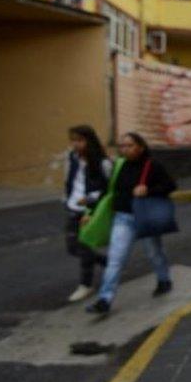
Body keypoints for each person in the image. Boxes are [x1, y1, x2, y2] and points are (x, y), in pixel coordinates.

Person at [87, 132, 177, 314]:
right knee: (115, 259)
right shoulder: (119, 166)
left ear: (141, 147)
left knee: (154, 253)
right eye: (122, 146)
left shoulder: (152, 165)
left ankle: (164, 279)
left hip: (145, 217)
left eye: (129, 145)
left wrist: (149, 190)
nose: (124, 149)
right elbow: (108, 191)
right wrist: (91, 210)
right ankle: (105, 300)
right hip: (123, 218)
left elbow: (170, 186)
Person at [64, 125, 112, 302]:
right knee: (72, 247)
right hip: (72, 206)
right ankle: (106, 262)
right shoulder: (72, 157)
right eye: (73, 140)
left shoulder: (103, 163)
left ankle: (86, 284)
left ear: (90, 141)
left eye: (80, 140)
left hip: (89, 209)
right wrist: (68, 198)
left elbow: (107, 190)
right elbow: (70, 179)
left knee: (84, 246)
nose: (76, 144)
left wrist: (90, 203)